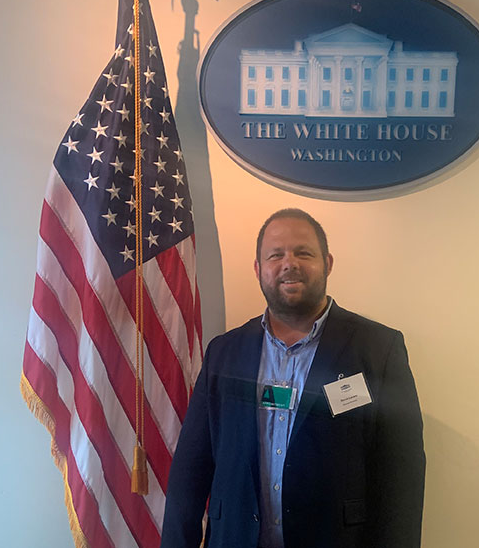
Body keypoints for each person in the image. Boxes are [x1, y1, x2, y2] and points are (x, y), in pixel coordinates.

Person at [161, 208, 425, 548]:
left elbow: (400, 480)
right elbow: (190, 472)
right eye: (276, 255)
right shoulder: (223, 354)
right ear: (259, 270)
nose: (290, 264)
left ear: (327, 263)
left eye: (304, 253)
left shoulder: (378, 350)